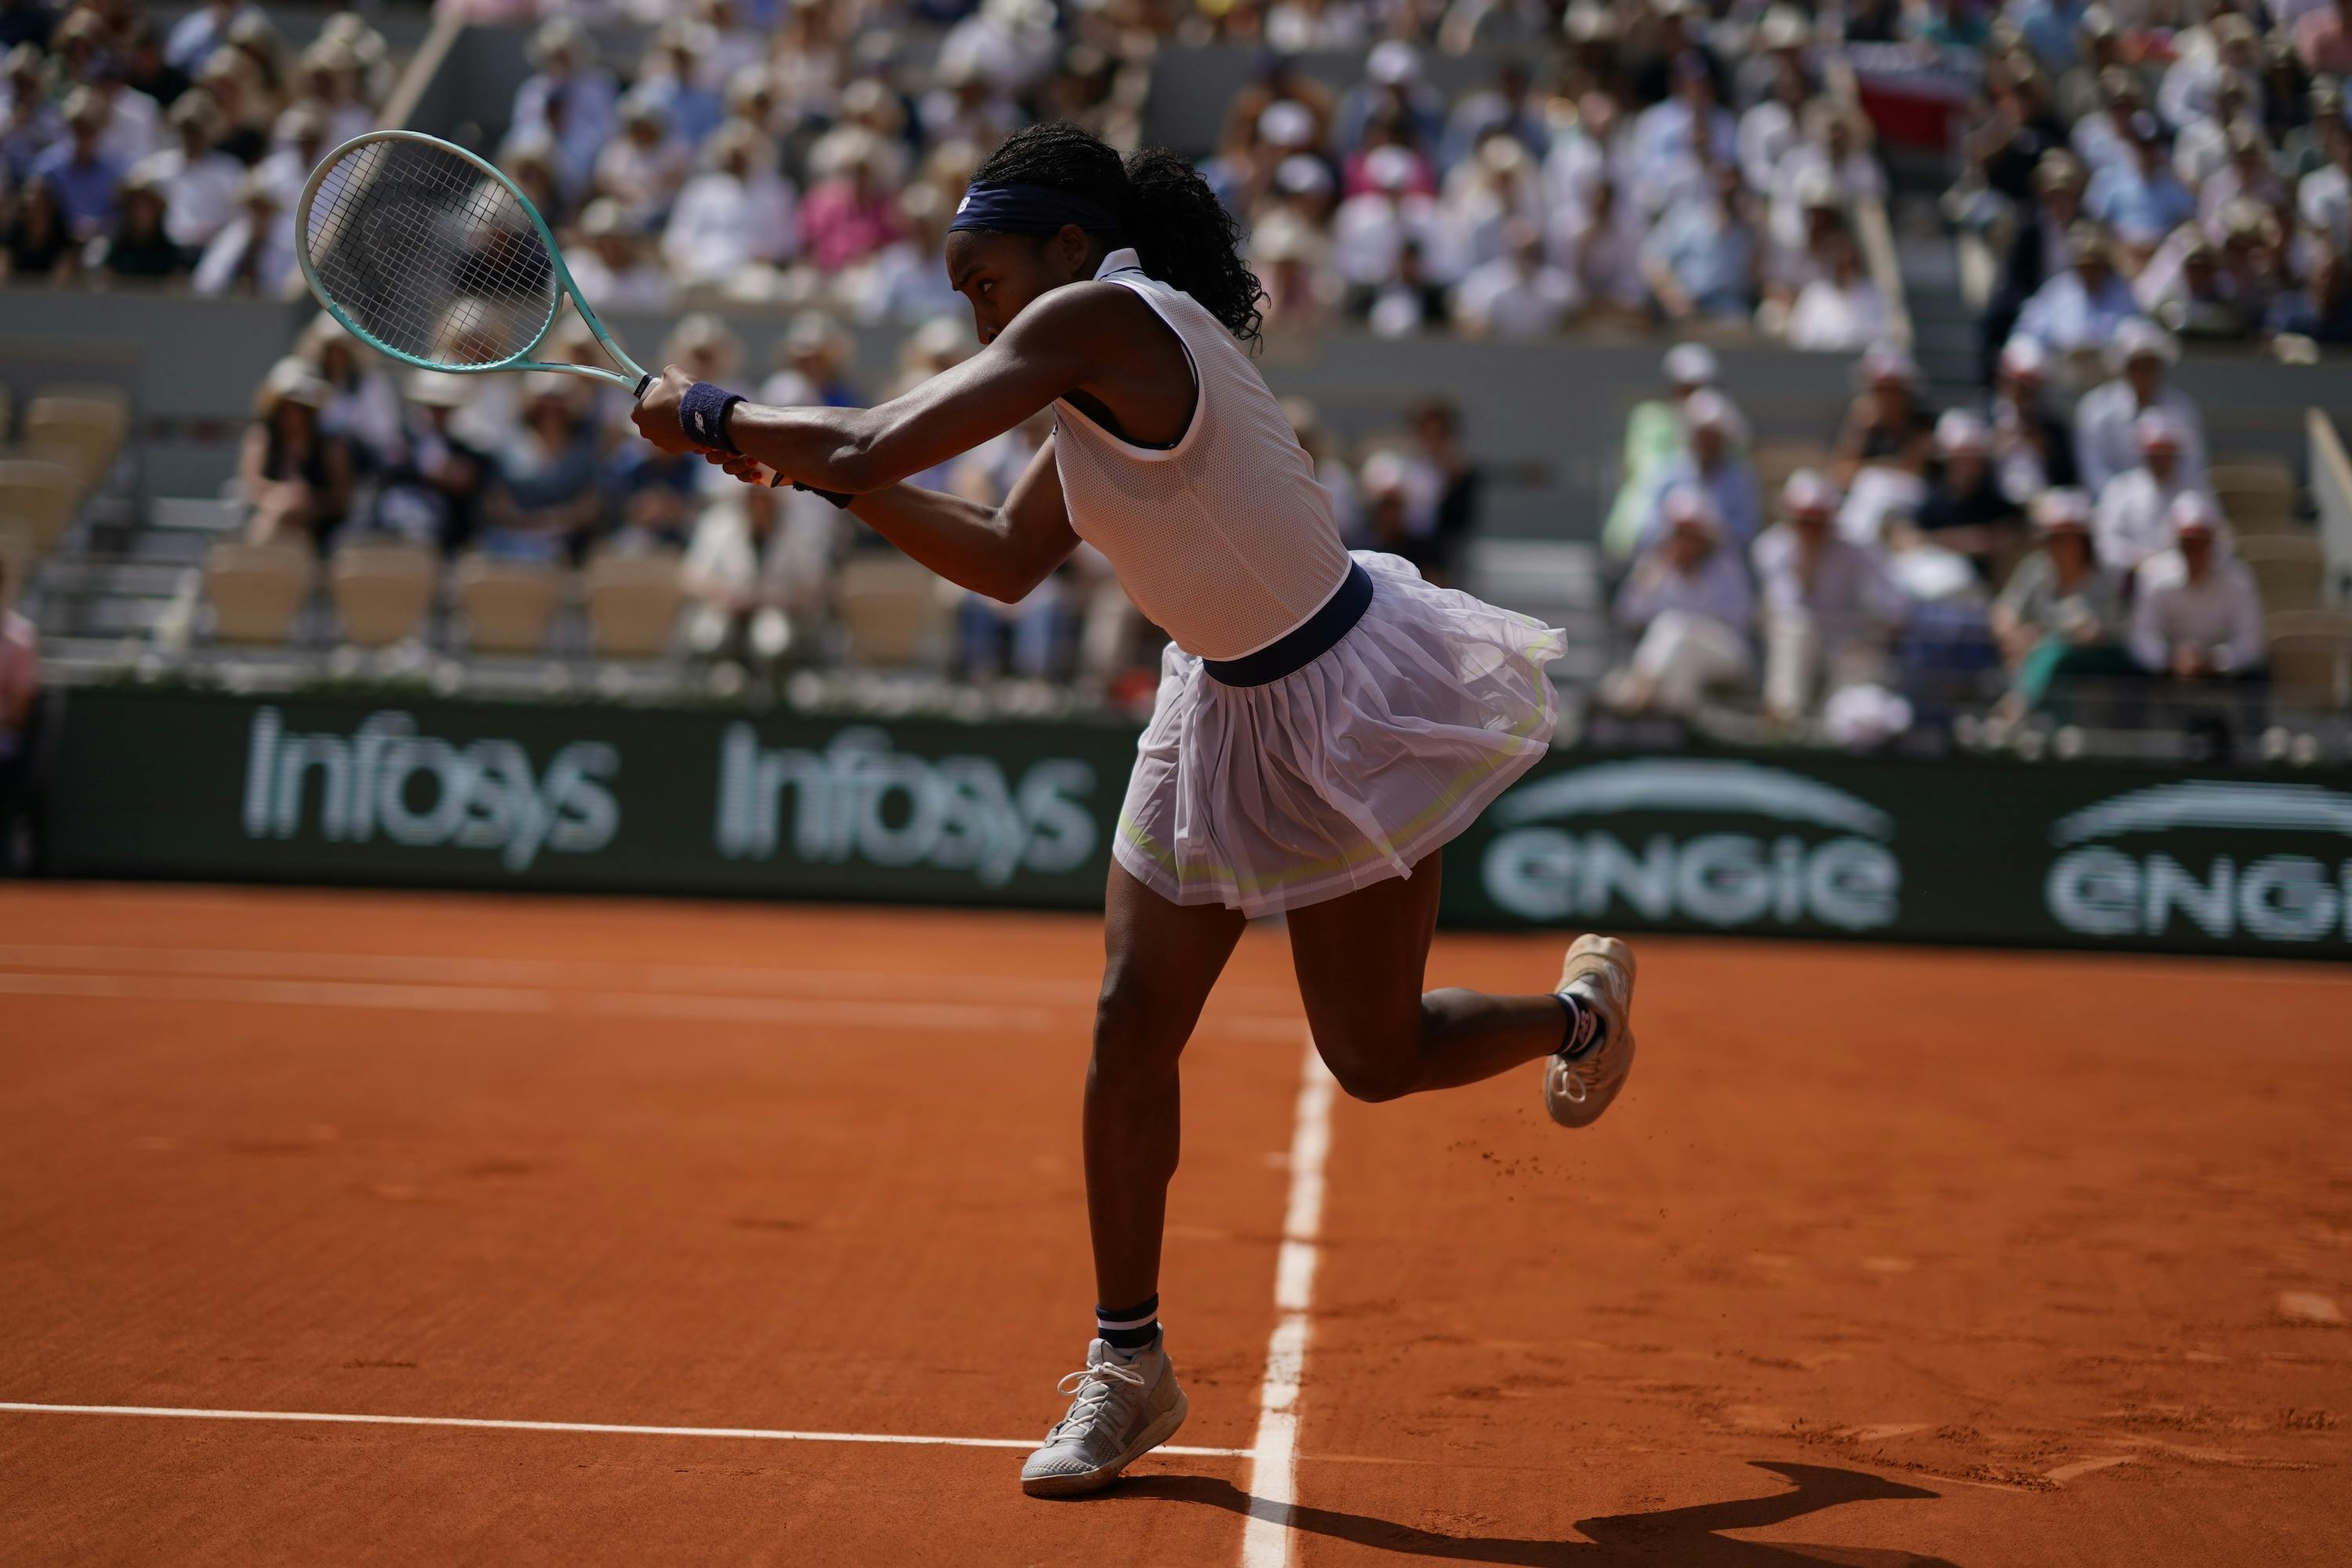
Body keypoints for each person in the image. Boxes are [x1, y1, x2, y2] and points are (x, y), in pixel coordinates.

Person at [630, 120, 1639, 1498]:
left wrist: (715, 417)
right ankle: (1129, 1365)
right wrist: (813, 468)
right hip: (1214, 708)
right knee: (1127, 1021)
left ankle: (1580, 1018)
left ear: (1066, 248)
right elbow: (998, 558)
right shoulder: (1087, 380)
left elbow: (871, 436)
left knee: (1377, 1056)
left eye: (982, 277)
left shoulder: (1112, 316)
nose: (972, 307)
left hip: (1344, 703)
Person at [1751, 469, 1905, 728]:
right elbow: (1790, 606)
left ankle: (1838, 725)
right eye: (1803, 521)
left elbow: (1895, 604)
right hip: (1800, 640)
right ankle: (1785, 716)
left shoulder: (1857, 546)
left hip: (1848, 641)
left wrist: (1875, 632)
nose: (1810, 529)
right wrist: (1808, 559)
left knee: (1862, 664)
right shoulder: (1771, 548)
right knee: (1793, 629)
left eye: (1817, 520)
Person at [1602, 487, 1755, 716]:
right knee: (1682, 657)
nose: (1684, 541)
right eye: (1679, 533)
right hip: (1677, 654)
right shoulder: (1656, 565)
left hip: (1727, 652)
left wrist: (1694, 592)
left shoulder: (1726, 566)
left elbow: (1739, 618)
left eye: (1691, 534)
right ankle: (1673, 722)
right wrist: (1651, 581)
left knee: (1676, 628)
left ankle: (1637, 689)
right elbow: (1628, 615)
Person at [1989, 487, 2131, 721]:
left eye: (2064, 537)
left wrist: (2039, 638)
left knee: (2052, 653)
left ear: (2083, 539)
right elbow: (2003, 611)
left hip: (2101, 658)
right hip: (2037, 657)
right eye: (2051, 538)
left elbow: (2092, 633)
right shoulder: (2037, 569)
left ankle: (2015, 712)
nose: (2056, 545)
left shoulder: (2106, 575)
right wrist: (2013, 635)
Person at [2073, 318, 2207, 497]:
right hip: (2110, 508)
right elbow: (2094, 470)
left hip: (2172, 505)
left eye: (2150, 365)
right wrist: (2122, 504)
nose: (2144, 374)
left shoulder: (2182, 408)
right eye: (2136, 366)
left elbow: (2192, 466)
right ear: (2123, 368)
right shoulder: (2096, 409)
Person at [240, 358, 352, 548]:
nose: (293, 416)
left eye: (300, 408)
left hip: (320, 529)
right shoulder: (261, 438)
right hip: (271, 516)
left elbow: (341, 498)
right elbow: (252, 486)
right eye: (286, 408)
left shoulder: (330, 446)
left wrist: (309, 502)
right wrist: (284, 497)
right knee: (271, 520)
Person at [2092, 411, 2200, 576]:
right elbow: (2106, 544)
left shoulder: (2195, 491)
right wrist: (2142, 562)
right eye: (2155, 453)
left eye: (2166, 453)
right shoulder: (2120, 489)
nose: (2160, 459)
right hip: (2128, 582)